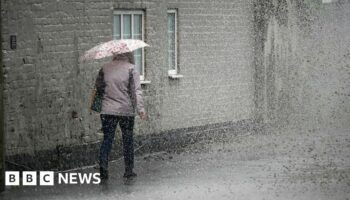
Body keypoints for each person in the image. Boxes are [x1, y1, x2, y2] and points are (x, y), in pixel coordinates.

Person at [95, 52, 146, 180]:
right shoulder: (131, 68)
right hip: (125, 111)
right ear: (129, 55)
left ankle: (103, 168)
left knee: (107, 139)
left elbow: (99, 88)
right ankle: (128, 171)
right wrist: (140, 109)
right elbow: (136, 91)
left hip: (107, 111)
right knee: (127, 140)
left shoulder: (104, 68)